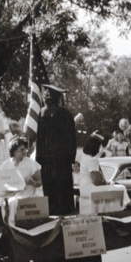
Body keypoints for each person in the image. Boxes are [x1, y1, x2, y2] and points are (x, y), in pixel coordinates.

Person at [36, 84, 77, 215]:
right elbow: (39, 138)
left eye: (49, 94)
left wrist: (71, 157)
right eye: (45, 94)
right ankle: (52, 210)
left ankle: (64, 209)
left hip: (61, 158)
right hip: (48, 158)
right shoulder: (41, 113)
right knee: (50, 184)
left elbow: (71, 137)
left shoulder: (64, 114)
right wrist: (38, 158)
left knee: (61, 183)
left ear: (55, 97)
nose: (46, 96)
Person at [79, 131, 131, 215]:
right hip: (90, 189)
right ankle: (123, 210)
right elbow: (96, 181)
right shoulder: (92, 160)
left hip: (84, 188)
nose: (101, 147)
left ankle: (120, 209)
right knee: (121, 188)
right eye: (100, 145)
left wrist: (106, 183)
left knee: (117, 187)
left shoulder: (84, 156)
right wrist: (107, 185)